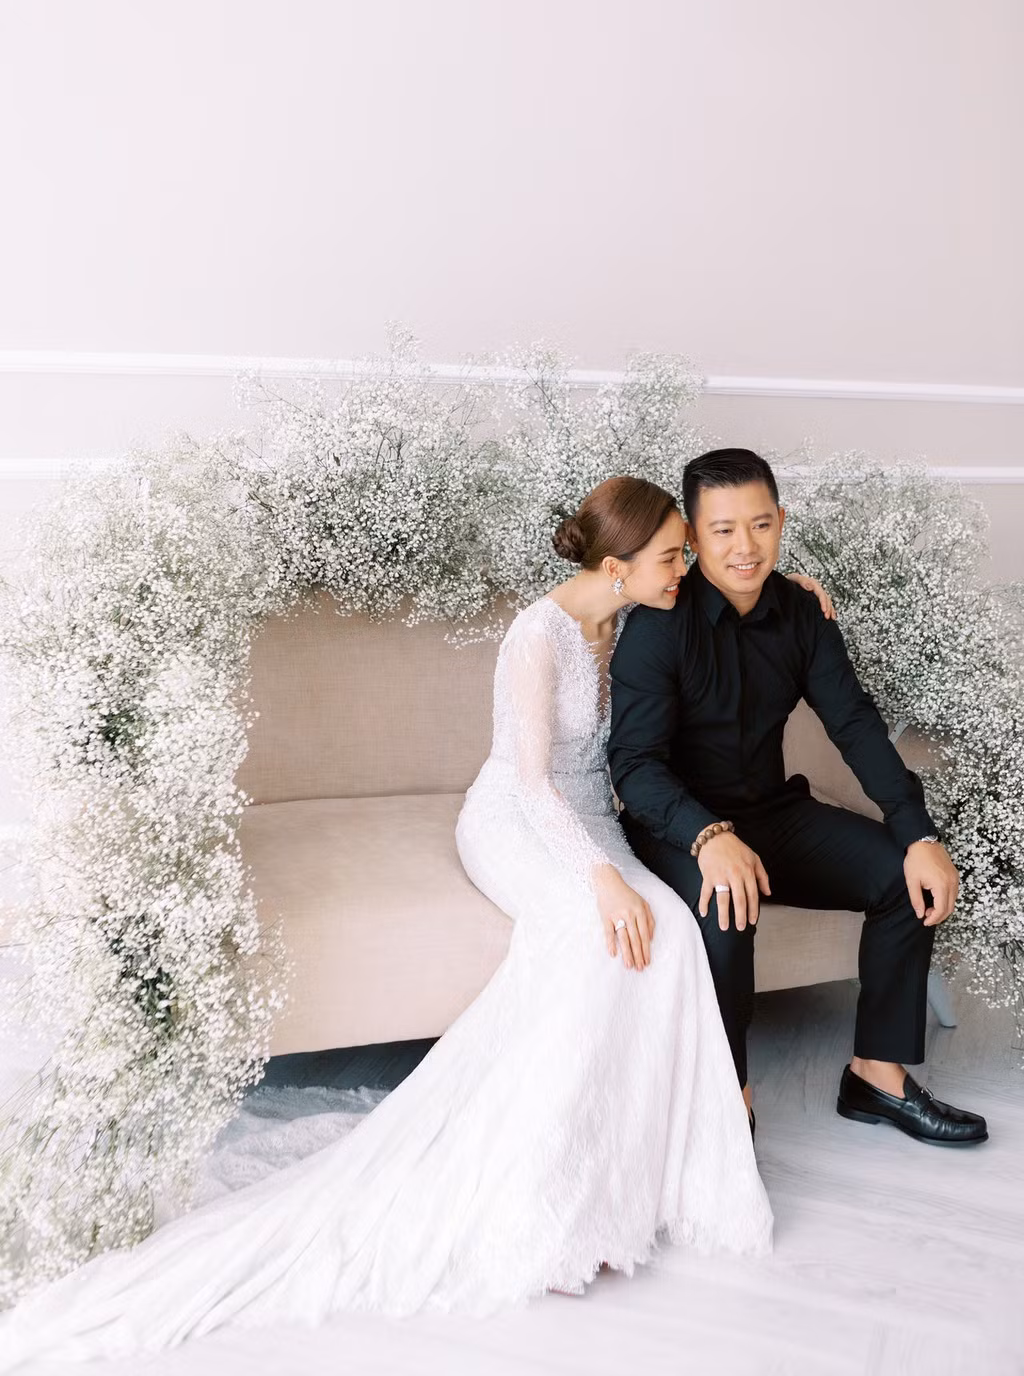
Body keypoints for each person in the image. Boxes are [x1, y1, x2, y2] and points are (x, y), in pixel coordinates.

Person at [0, 475, 834, 1370]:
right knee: (596, 938)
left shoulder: (641, 616)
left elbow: (730, 592)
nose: (686, 570)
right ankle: (546, 1190)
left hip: (596, 820)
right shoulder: (537, 635)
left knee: (668, 932)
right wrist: (598, 878)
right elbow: (532, 782)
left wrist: (798, 588)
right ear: (615, 565)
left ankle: (643, 1170)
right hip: (518, 821)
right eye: (672, 556)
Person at [608, 448, 989, 1147]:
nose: (745, 547)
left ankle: (876, 1077)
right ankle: (728, 1098)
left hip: (773, 813)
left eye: (760, 524)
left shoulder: (802, 612)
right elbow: (633, 767)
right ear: (691, 536)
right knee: (725, 903)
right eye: (723, 529)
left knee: (901, 876)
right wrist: (707, 836)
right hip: (677, 827)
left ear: (781, 521)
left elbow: (855, 726)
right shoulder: (657, 627)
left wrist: (920, 834)